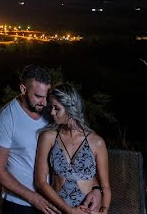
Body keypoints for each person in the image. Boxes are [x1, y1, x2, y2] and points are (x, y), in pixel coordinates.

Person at [0, 66, 102, 213]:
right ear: (23, 89)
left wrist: (96, 188)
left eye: (46, 96)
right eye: (38, 96)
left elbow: (78, 154)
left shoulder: (53, 113)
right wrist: (33, 197)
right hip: (21, 204)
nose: (44, 102)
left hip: (55, 201)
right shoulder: (6, 118)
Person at [34, 84, 111, 214]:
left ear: (70, 109)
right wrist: (69, 211)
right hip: (57, 210)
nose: (52, 112)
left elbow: (106, 187)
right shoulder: (48, 137)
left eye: (56, 108)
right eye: (51, 107)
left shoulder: (97, 142)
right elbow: (40, 182)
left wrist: (103, 212)